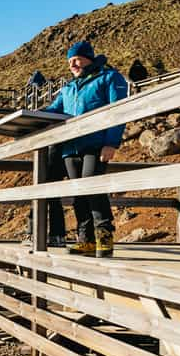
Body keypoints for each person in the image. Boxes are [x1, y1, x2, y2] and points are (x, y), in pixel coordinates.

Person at [45, 40, 128, 257]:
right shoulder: (68, 88)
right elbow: (53, 110)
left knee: (93, 190)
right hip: (70, 149)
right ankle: (87, 241)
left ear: (89, 58)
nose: (73, 64)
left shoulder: (109, 77)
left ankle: (105, 239)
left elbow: (119, 111)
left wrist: (111, 142)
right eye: (69, 61)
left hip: (96, 144)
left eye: (77, 59)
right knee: (78, 195)